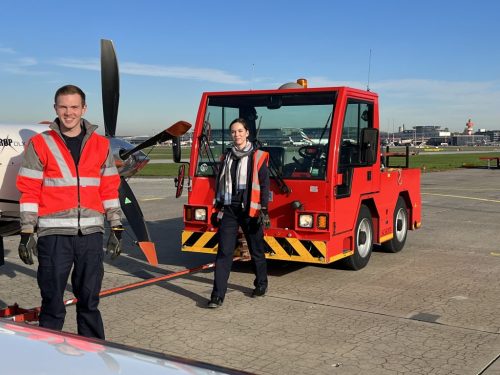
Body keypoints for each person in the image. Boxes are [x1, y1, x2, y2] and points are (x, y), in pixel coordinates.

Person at [16, 84, 123, 339]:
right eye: (63, 107)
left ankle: (95, 354)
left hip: (90, 236)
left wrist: (117, 226)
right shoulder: (40, 143)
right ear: (55, 109)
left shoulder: (100, 145)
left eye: (74, 107)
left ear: (83, 109)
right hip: (54, 237)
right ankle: (47, 359)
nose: (69, 112)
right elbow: (29, 190)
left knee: (89, 301)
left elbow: (109, 189)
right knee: (52, 304)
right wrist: (26, 230)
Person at [208, 118, 271, 308]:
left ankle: (261, 284)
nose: (237, 135)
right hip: (229, 208)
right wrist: (217, 208)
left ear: (247, 133)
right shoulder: (226, 157)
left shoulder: (258, 156)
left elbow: (264, 185)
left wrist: (264, 210)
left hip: (250, 210)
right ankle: (217, 295)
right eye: (234, 132)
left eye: (240, 131)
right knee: (224, 252)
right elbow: (219, 184)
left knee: (256, 249)